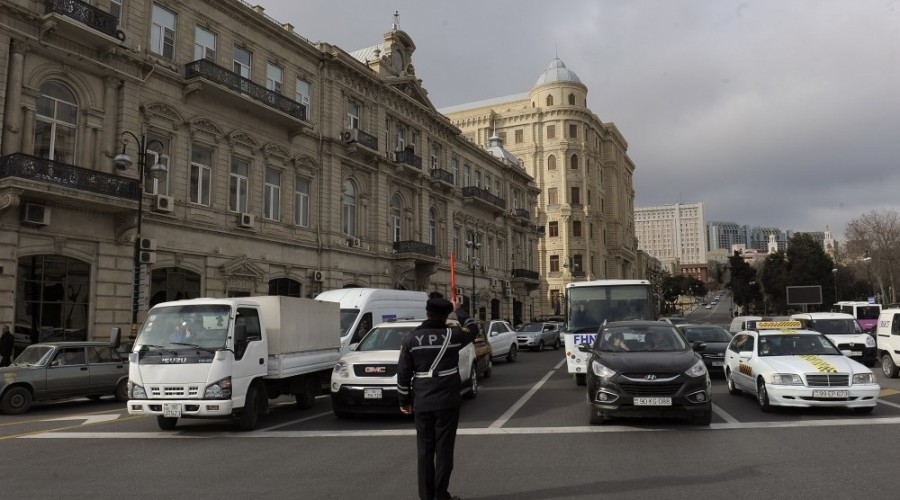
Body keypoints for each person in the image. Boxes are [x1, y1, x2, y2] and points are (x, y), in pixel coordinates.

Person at [397, 296, 479, 500]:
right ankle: (441, 495)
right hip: (447, 402)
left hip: (423, 402)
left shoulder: (411, 339)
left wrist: (404, 401)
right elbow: (473, 328)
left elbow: (403, 373)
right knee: (444, 451)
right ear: (445, 316)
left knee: (425, 451)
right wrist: (459, 309)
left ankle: (426, 497)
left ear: (427, 313)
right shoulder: (453, 336)